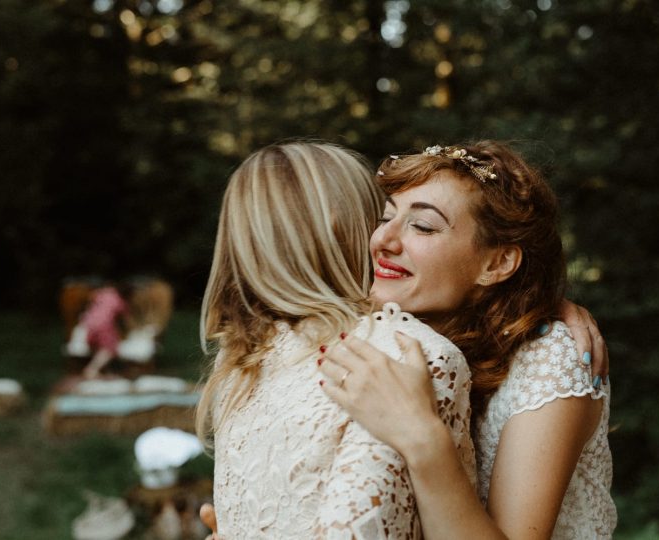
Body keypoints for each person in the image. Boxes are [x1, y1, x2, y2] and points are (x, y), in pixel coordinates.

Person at [319, 141, 616, 539]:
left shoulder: (551, 359)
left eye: (422, 226)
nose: (383, 241)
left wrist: (421, 437)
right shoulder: (373, 330)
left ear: (497, 263)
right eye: (385, 218)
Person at [194, 142, 476, 538]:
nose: (386, 237)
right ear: (343, 226)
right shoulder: (405, 354)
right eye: (381, 217)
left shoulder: (239, 363)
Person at [79, 284, 132, 378]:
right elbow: (124, 319)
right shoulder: (120, 301)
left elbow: (92, 299)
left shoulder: (103, 293)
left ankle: (103, 370)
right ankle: (92, 369)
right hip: (104, 324)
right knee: (109, 349)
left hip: (89, 322)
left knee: (98, 348)